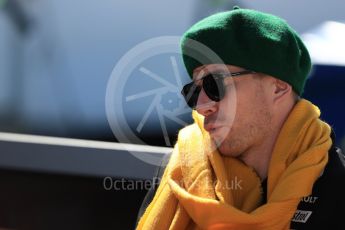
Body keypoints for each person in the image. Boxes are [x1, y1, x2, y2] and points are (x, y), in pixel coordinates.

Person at [136, 6, 345, 230]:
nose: (201, 106)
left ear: (278, 88)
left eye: (214, 84)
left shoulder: (336, 186)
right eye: (194, 91)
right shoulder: (179, 168)